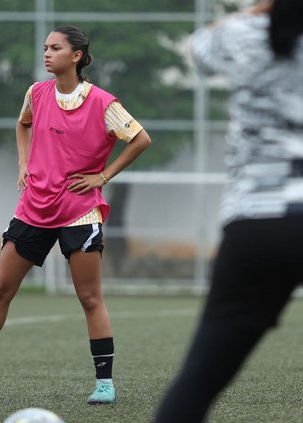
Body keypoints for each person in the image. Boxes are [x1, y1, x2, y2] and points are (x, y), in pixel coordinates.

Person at [0, 25, 151, 404]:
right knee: (1, 289)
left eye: (55, 48)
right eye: (45, 47)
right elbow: (23, 124)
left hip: (79, 211)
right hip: (33, 207)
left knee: (89, 298)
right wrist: (23, 162)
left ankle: (105, 383)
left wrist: (102, 176)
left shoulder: (103, 103)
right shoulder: (36, 93)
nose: (46, 54)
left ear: (77, 56)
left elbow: (140, 139)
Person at [154, 0, 303, 421]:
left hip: (256, 224)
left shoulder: (241, 36)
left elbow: (198, 49)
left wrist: (259, 11)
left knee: (198, 382)